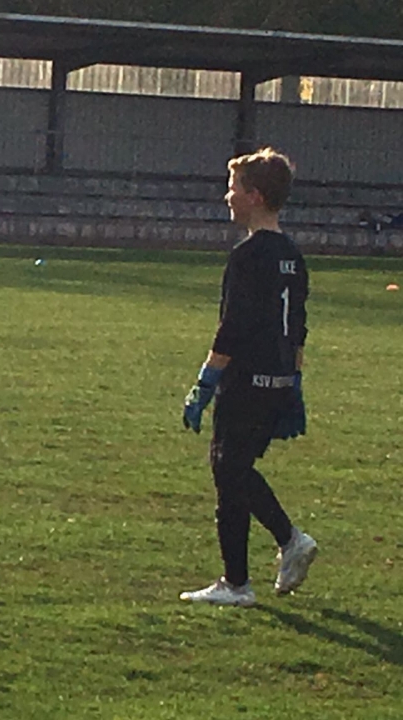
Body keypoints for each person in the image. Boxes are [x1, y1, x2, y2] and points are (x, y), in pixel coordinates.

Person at [180, 147, 317, 608]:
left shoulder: (248, 256)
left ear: (255, 196)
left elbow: (232, 327)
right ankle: (237, 582)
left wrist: (205, 383)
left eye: (234, 188)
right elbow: (297, 326)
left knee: (229, 468)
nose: (228, 196)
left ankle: (285, 542)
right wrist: (293, 382)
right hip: (277, 379)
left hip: (246, 379)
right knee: (233, 471)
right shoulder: (292, 255)